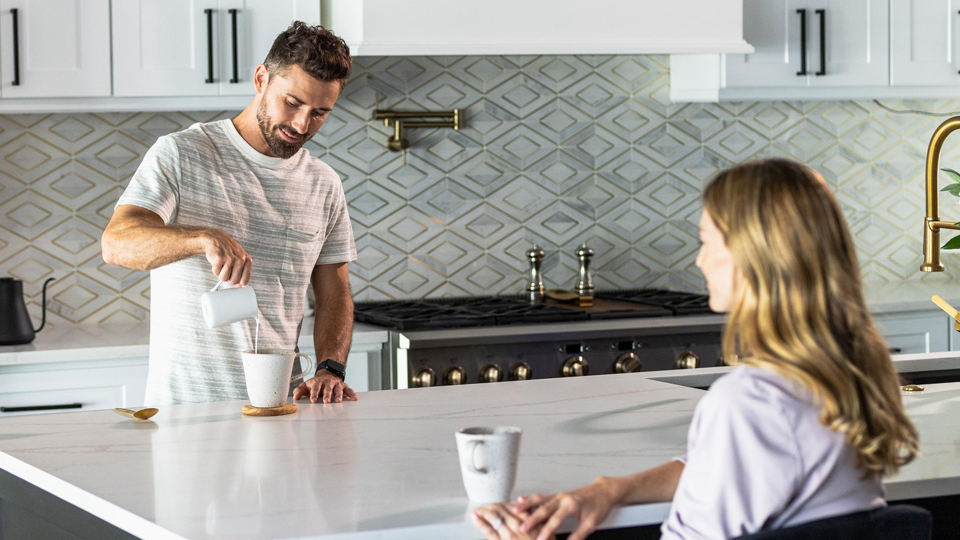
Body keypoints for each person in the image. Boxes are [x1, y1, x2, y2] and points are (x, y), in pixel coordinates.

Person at [472, 158, 920, 540]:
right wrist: (612, 489)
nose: (699, 260)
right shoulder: (849, 376)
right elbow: (733, 467)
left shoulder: (750, 400)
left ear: (753, 257)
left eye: (707, 241)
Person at [101, 22, 359, 406]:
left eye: (320, 112)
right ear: (261, 79)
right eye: (292, 102)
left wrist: (330, 368)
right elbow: (117, 243)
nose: (303, 124)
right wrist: (201, 237)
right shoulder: (181, 154)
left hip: (279, 410)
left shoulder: (323, 183)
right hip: (187, 415)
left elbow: (335, 292)